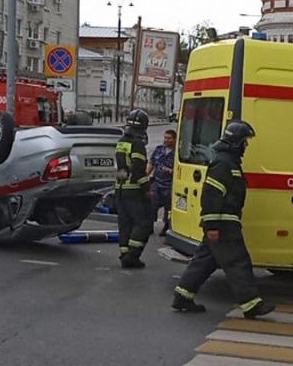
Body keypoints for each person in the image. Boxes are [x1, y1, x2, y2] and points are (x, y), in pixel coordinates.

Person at [171, 121, 275, 319]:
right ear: (236, 142)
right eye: (245, 141)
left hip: (223, 222)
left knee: (204, 262)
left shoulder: (228, 162)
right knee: (238, 262)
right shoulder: (223, 164)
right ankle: (251, 304)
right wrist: (212, 226)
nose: (246, 146)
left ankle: (182, 295)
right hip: (223, 223)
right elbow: (211, 196)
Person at [115, 109, 154, 269]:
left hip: (120, 188)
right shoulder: (137, 144)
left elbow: (122, 168)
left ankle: (124, 253)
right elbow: (138, 170)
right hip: (134, 190)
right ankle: (132, 256)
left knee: (125, 223)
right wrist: (147, 188)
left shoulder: (122, 141)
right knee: (142, 223)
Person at [148, 129, 177, 236]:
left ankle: (166, 226)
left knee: (168, 207)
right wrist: (145, 175)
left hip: (169, 184)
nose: (166, 140)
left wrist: (171, 171)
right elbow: (152, 163)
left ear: (174, 139)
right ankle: (149, 226)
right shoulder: (159, 149)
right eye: (165, 137)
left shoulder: (178, 152)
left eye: (169, 138)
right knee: (151, 204)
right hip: (157, 182)